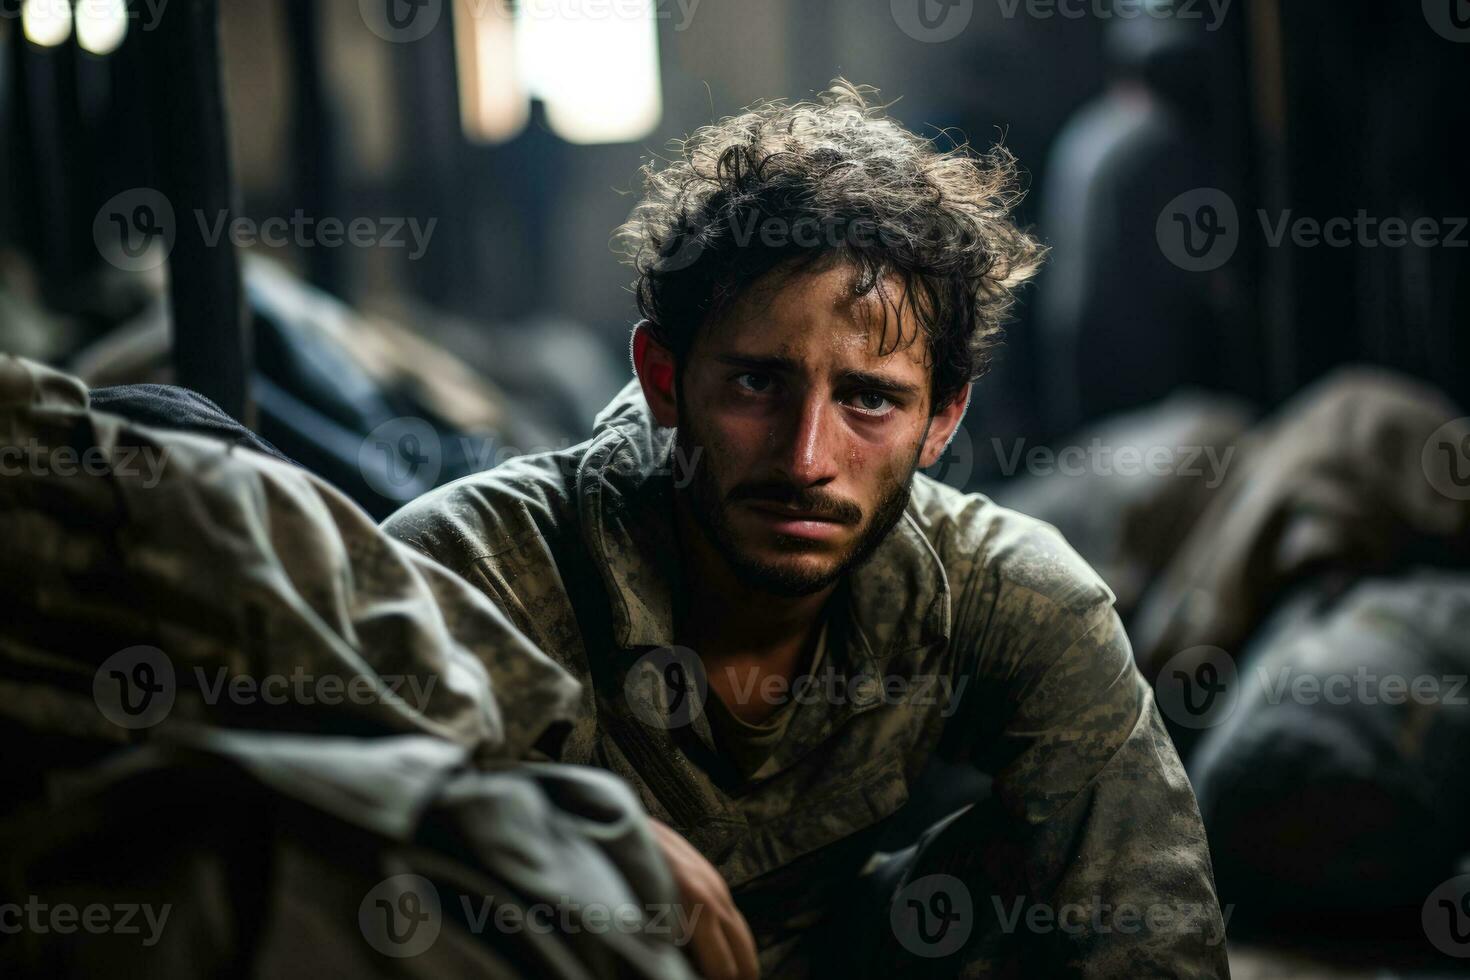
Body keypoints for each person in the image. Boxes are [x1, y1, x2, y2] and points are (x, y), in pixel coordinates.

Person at [384, 80, 1228, 979]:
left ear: (941, 420)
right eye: (755, 384)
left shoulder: (1004, 590)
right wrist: (553, 829)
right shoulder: (474, 568)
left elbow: (1158, 937)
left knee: (1050, 871)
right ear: (664, 380)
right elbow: (274, 795)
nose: (805, 458)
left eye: (869, 400)